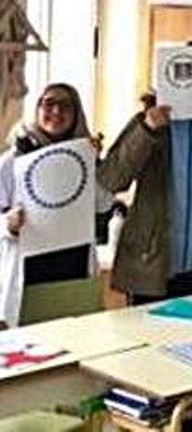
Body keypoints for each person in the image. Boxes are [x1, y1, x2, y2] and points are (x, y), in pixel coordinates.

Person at [102, 48, 192, 304]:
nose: (188, 81)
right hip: (151, 266)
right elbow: (113, 178)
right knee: (149, 341)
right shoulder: (148, 123)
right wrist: (146, 130)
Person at [1, 83, 110, 326]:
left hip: (74, 270)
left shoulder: (86, 157)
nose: (57, 112)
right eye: (49, 103)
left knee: (77, 342)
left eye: (65, 106)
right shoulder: (11, 163)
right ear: (36, 109)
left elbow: (103, 205)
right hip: (29, 276)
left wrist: (95, 165)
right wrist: (8, 224)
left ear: (76, 113)